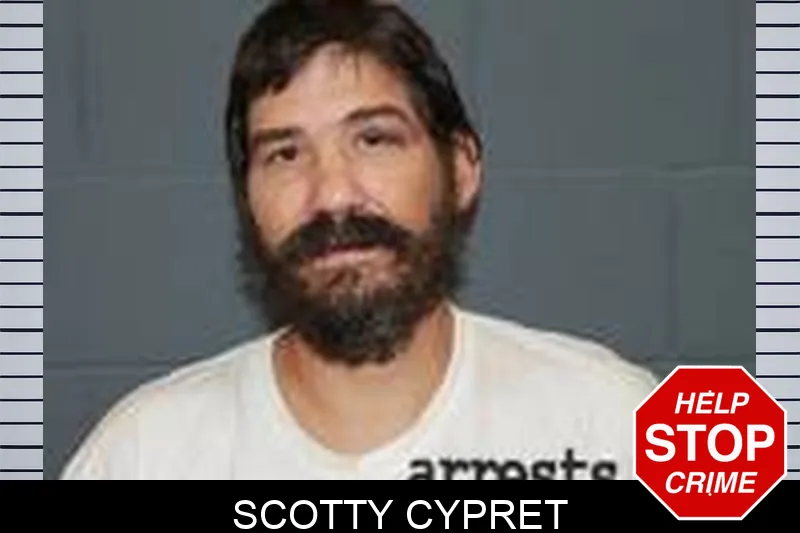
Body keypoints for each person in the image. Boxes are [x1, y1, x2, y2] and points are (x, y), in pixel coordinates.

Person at [61, 0, 658, 480]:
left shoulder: (622, 422)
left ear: (460, 168)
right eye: (285, 154)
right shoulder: (142, 455)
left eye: (374, 140)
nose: (332, 195)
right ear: (248, 199)